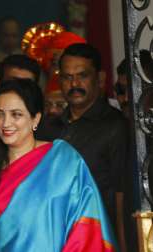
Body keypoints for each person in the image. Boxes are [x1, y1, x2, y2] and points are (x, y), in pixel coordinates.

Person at [0, 79, 117, 251]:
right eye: (0, 114)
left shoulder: (63, 160)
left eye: (16, 114)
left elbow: (87, 225)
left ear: (35, 118)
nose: (6, 123)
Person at [40, 43, 128, 249]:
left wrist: (123, 246)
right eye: (67, 77)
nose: (74, 83)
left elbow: (120, 193)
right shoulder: (48, 128)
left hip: (98, 238)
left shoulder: (115, 126)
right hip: (55, 239)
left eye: (82, 75)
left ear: (100, 78)